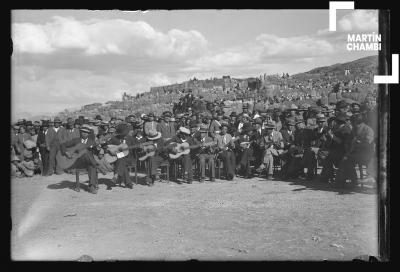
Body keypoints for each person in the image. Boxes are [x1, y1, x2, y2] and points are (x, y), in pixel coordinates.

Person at [59, 125, 99, 194]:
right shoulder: (76, 140)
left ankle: (91, 186)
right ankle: (94, 163)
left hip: (88, 162)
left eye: (86, 133)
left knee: (91, 166)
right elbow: (63, 144)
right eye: (83, 132)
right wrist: (66, 152)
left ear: (88, 134)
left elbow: (96, 152)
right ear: (80, 133)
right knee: (89, 158)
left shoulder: (92, 142)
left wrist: (98, 149)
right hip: (79, 161)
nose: (84, 134)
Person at [107, 123, 135, 189]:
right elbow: (108, 147)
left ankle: (116, 175)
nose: (124, 135)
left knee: (121, 159)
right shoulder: (114, 139)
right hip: (116, 157)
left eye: (125, 134)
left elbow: (134, 149)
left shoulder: (130, 138)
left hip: (128, 158)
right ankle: (128, 182)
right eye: (122, 134)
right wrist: (112, 151)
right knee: (121, 160)